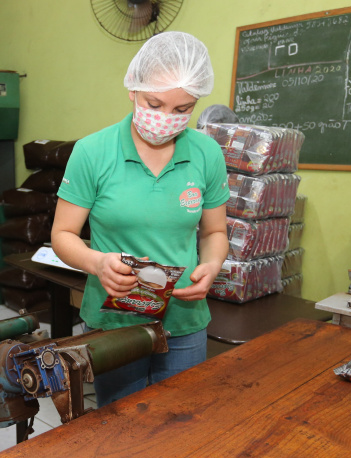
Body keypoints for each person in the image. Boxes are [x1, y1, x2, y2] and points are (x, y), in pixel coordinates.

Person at [51, 31, 230, 406]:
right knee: (120, 431)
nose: (167, 119)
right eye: (155, 103)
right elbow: (63, 234)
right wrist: (98, 263)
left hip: (184, 320)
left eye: (183, 110)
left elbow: (214, 231)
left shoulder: (206, 153)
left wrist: (212, 266)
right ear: (133, 89)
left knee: (180, 424)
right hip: (113, 323)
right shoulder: (93, 152)